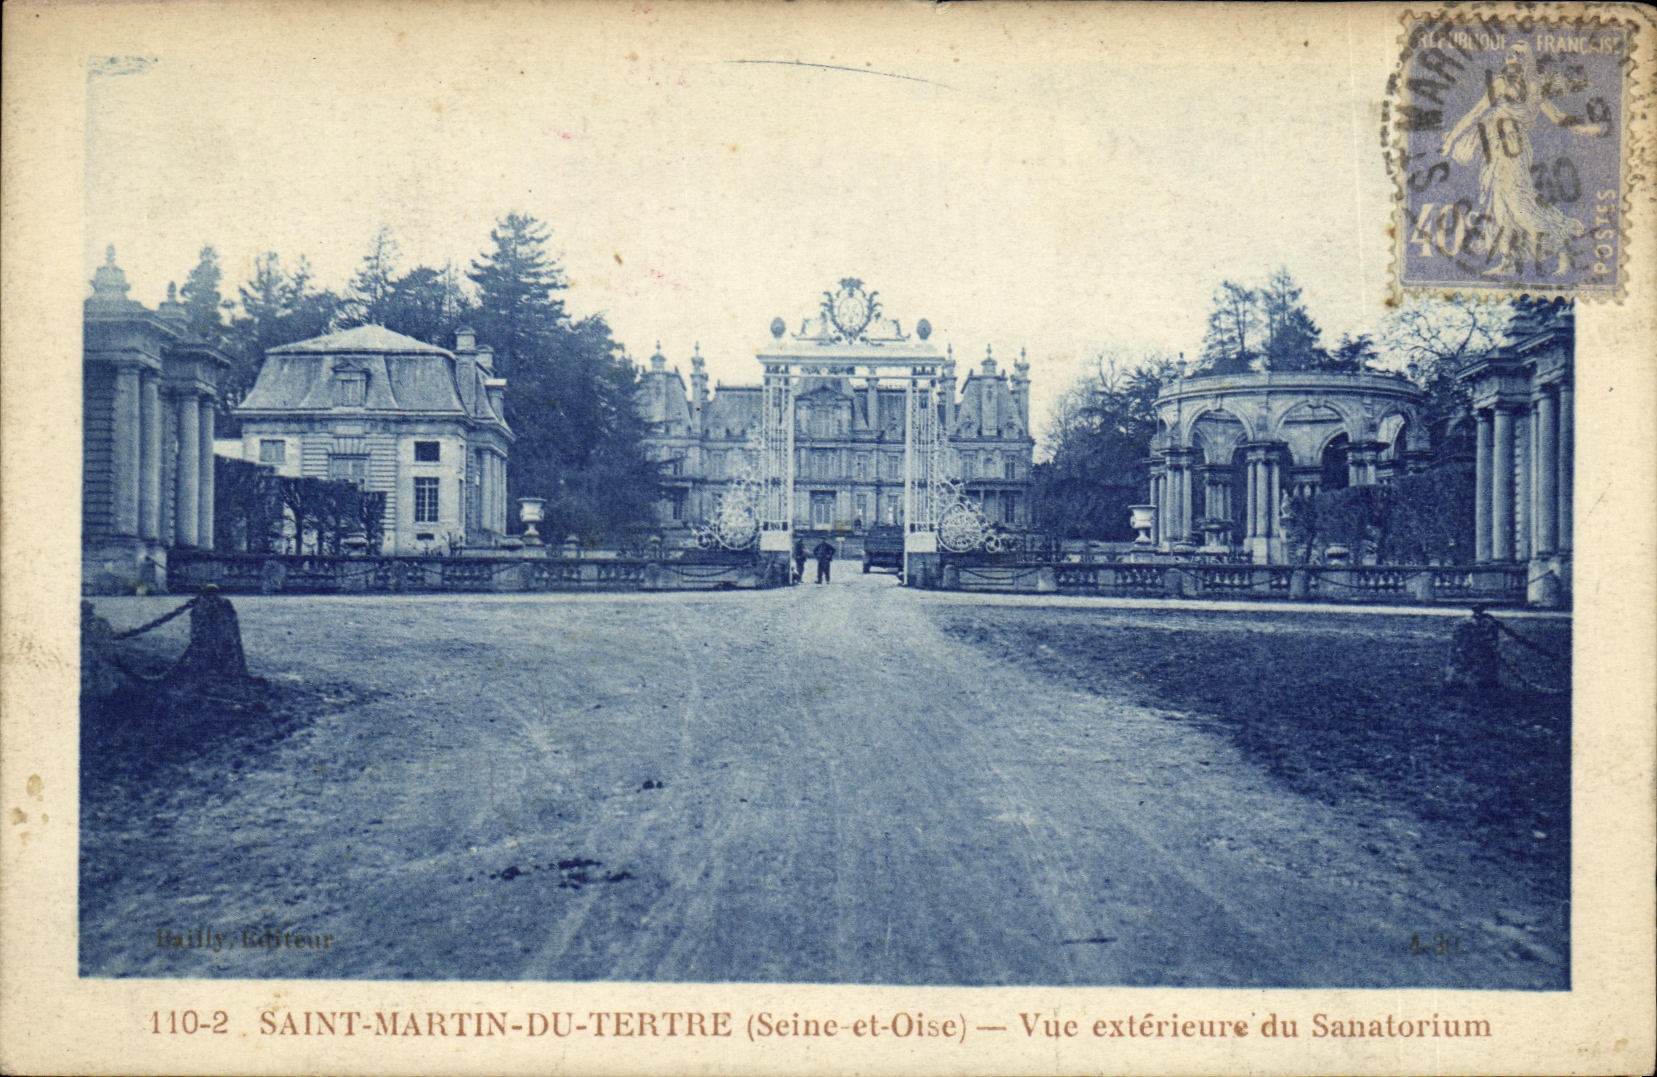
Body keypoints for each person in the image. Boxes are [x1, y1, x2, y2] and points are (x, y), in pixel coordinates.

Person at [1439, 42, 1608, 277]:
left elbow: (1559, 118)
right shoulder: (1509, 85)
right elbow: (1476, 113)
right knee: (1499, 206)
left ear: (1525, 62)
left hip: (1510, 150)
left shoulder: (1531, 89)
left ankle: (1564, 248)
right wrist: (1451, 141)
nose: (1509, 60)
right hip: (1498, 150)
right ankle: (1508, 262)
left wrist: (1588, 130)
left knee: (1519, 207)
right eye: (1508, 56)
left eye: (1516, 56)